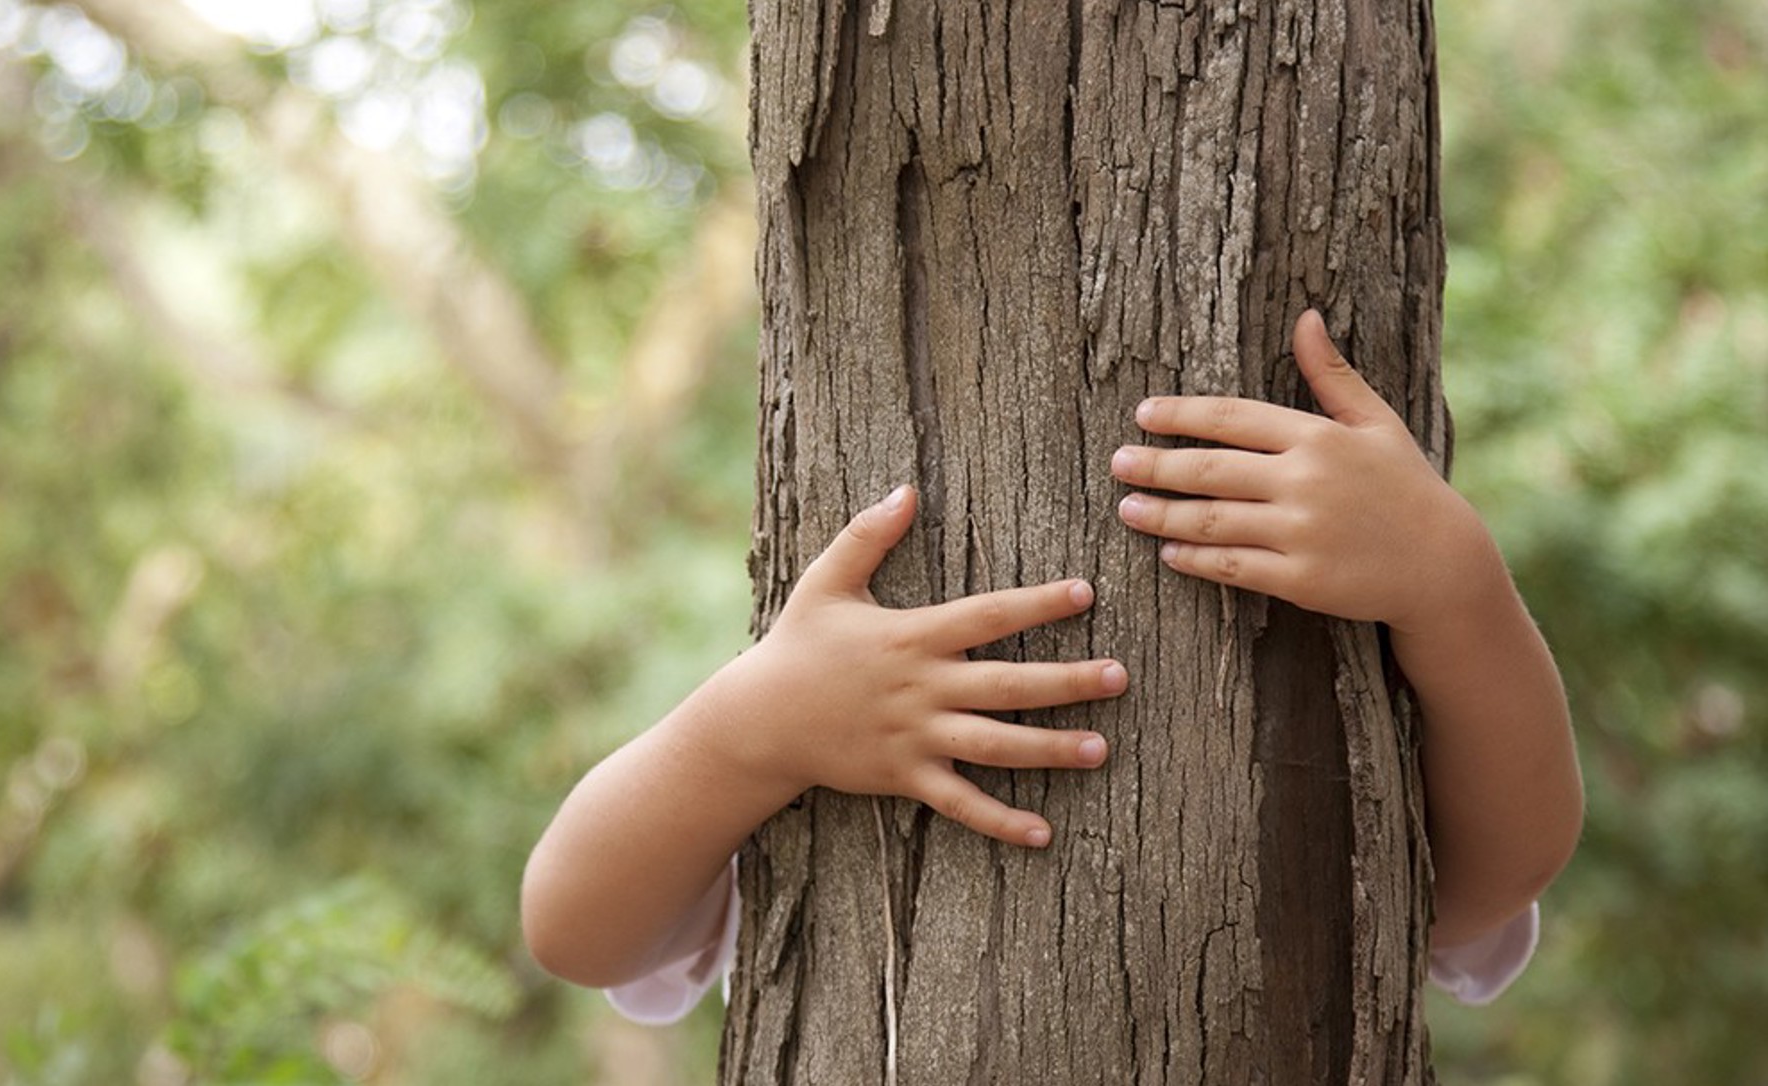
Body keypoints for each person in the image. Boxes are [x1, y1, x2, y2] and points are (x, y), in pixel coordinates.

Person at [519, 310, 1585, 1023]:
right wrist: (752, 729)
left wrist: (1455, 586)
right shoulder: (829, 774)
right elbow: (577, 928)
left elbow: (1485, 882)